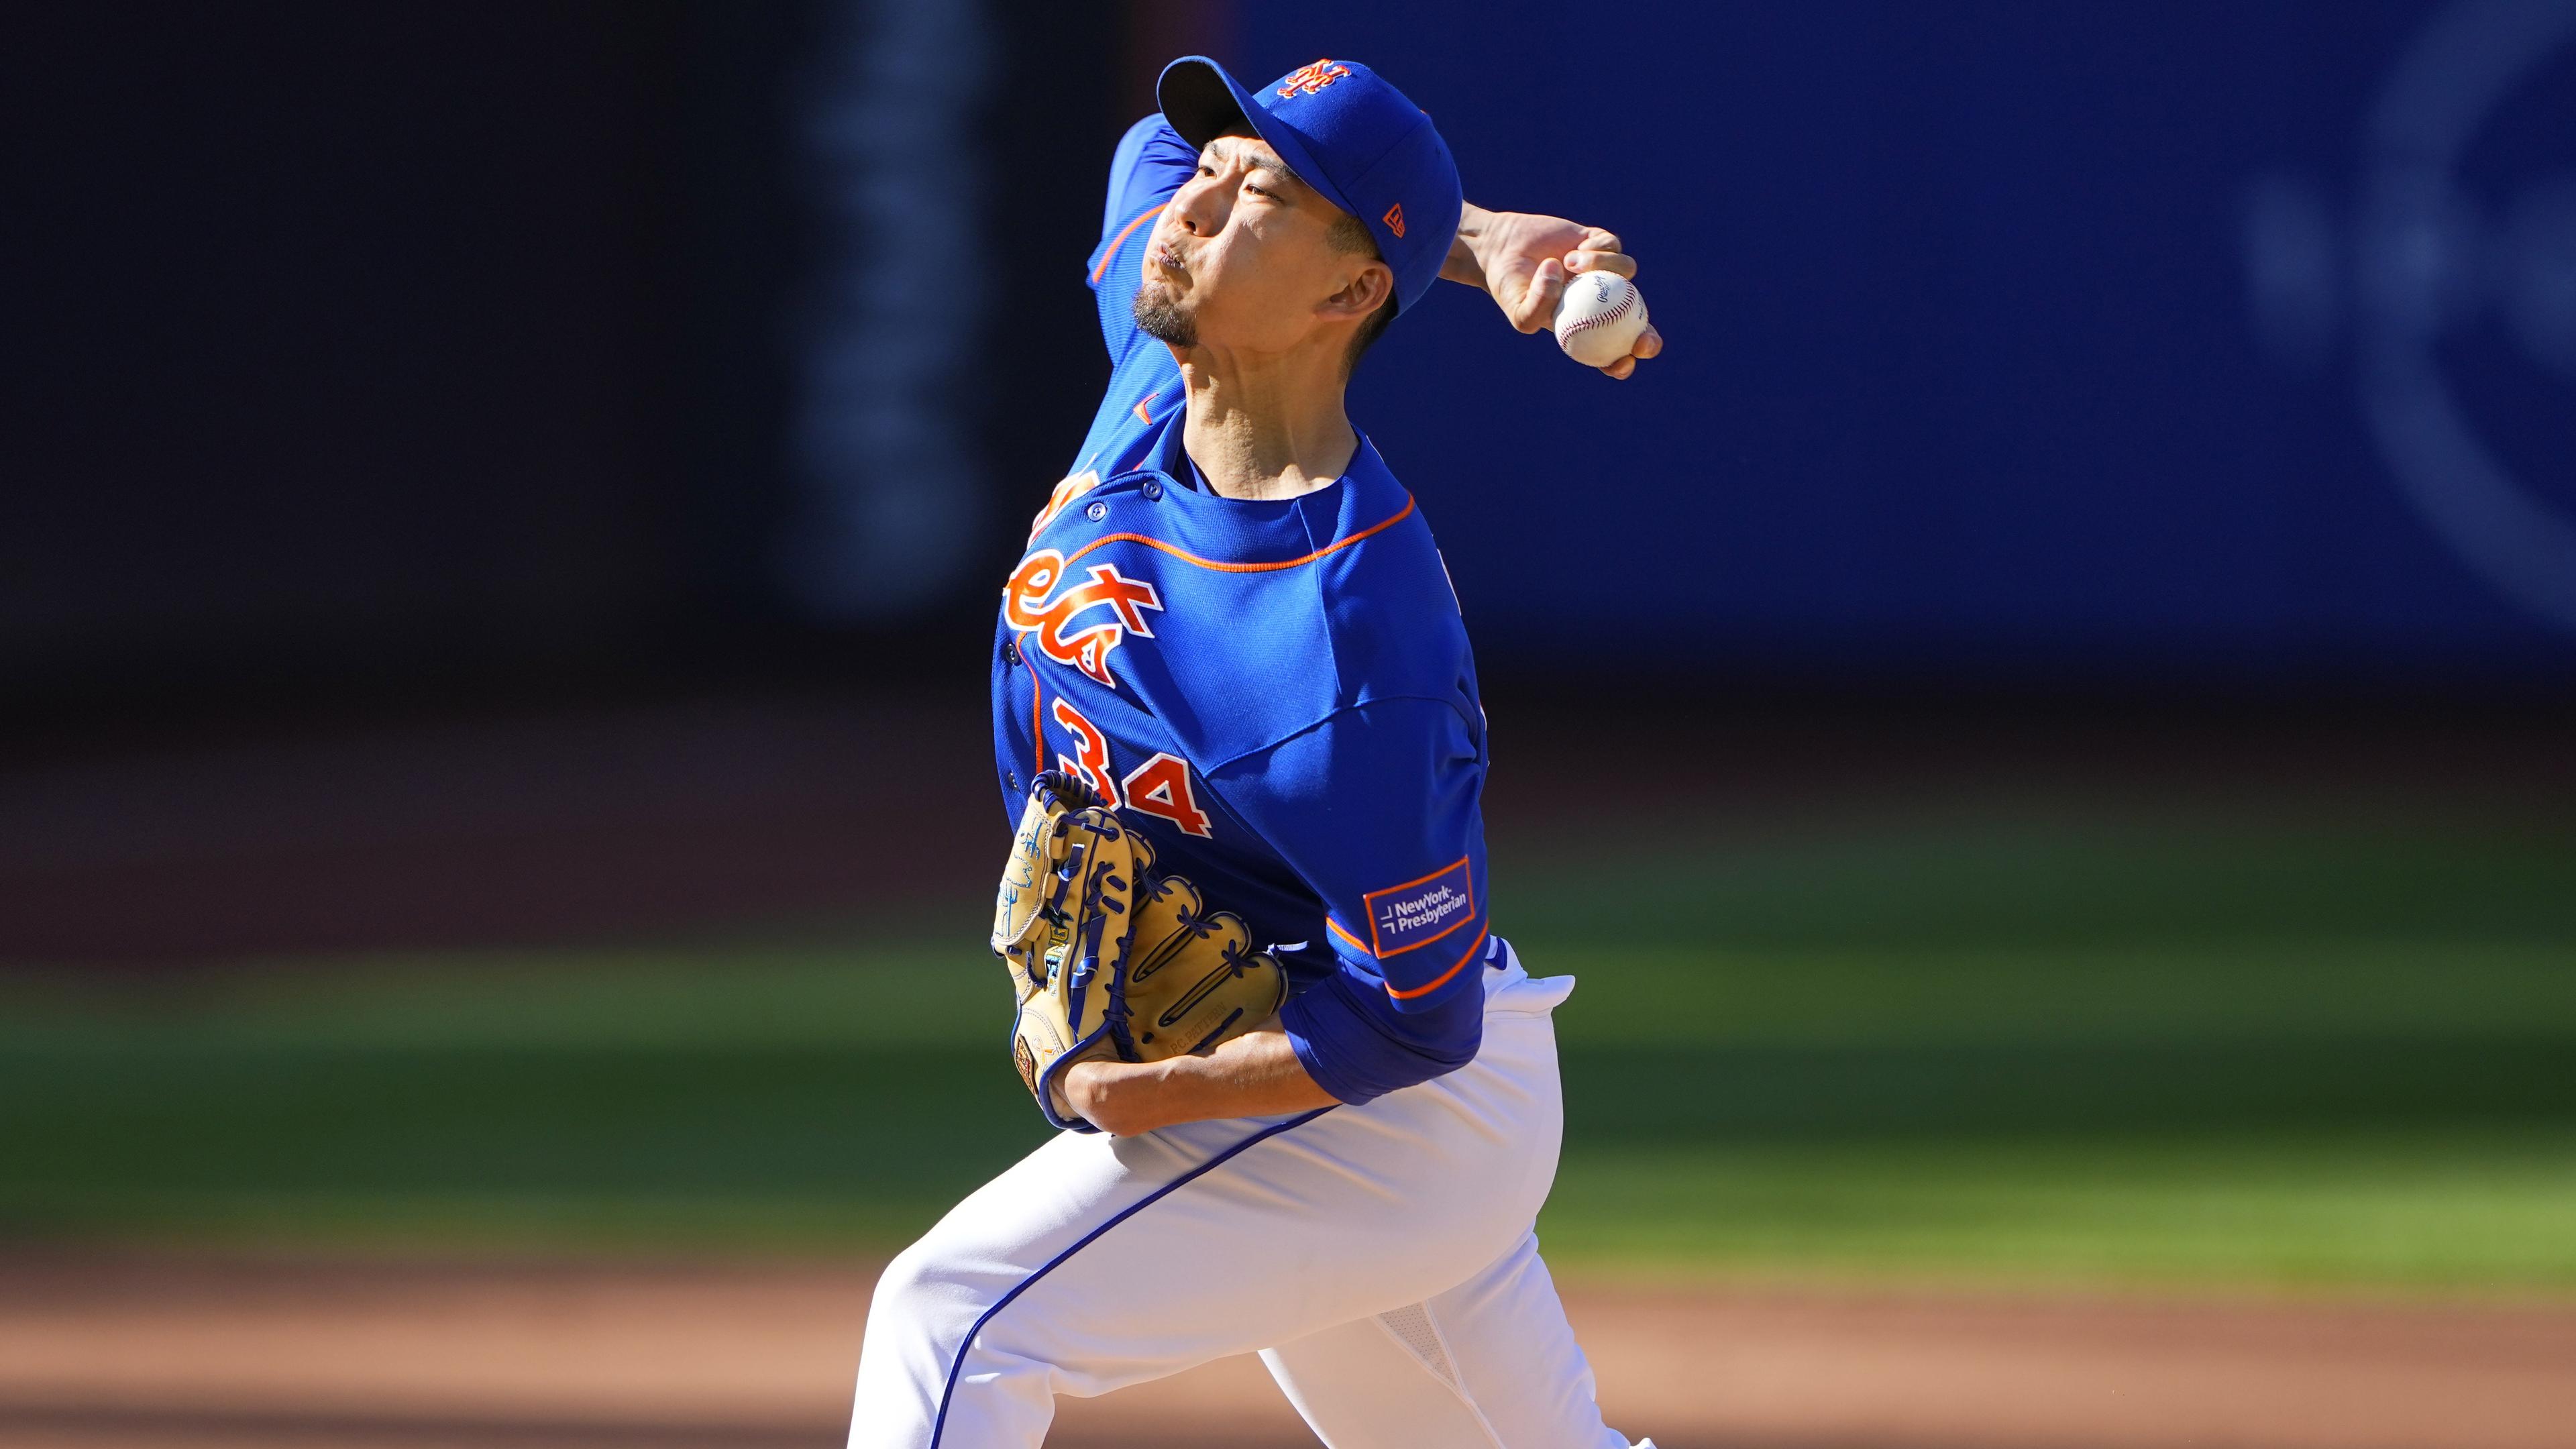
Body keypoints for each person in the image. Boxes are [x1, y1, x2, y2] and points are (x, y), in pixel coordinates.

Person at [848, 54, 1662, 1448]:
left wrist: (1135, 1094)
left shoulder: (1346, 652)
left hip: (1394, 1116)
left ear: (1345, 299)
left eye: (1256, 193)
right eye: (1213, 167)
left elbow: (1414, 1018)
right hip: (1370, 1095)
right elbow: (1154, 167)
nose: (1196, 204)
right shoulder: (1161, 356)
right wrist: (1476, 235)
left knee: (957, 1319)